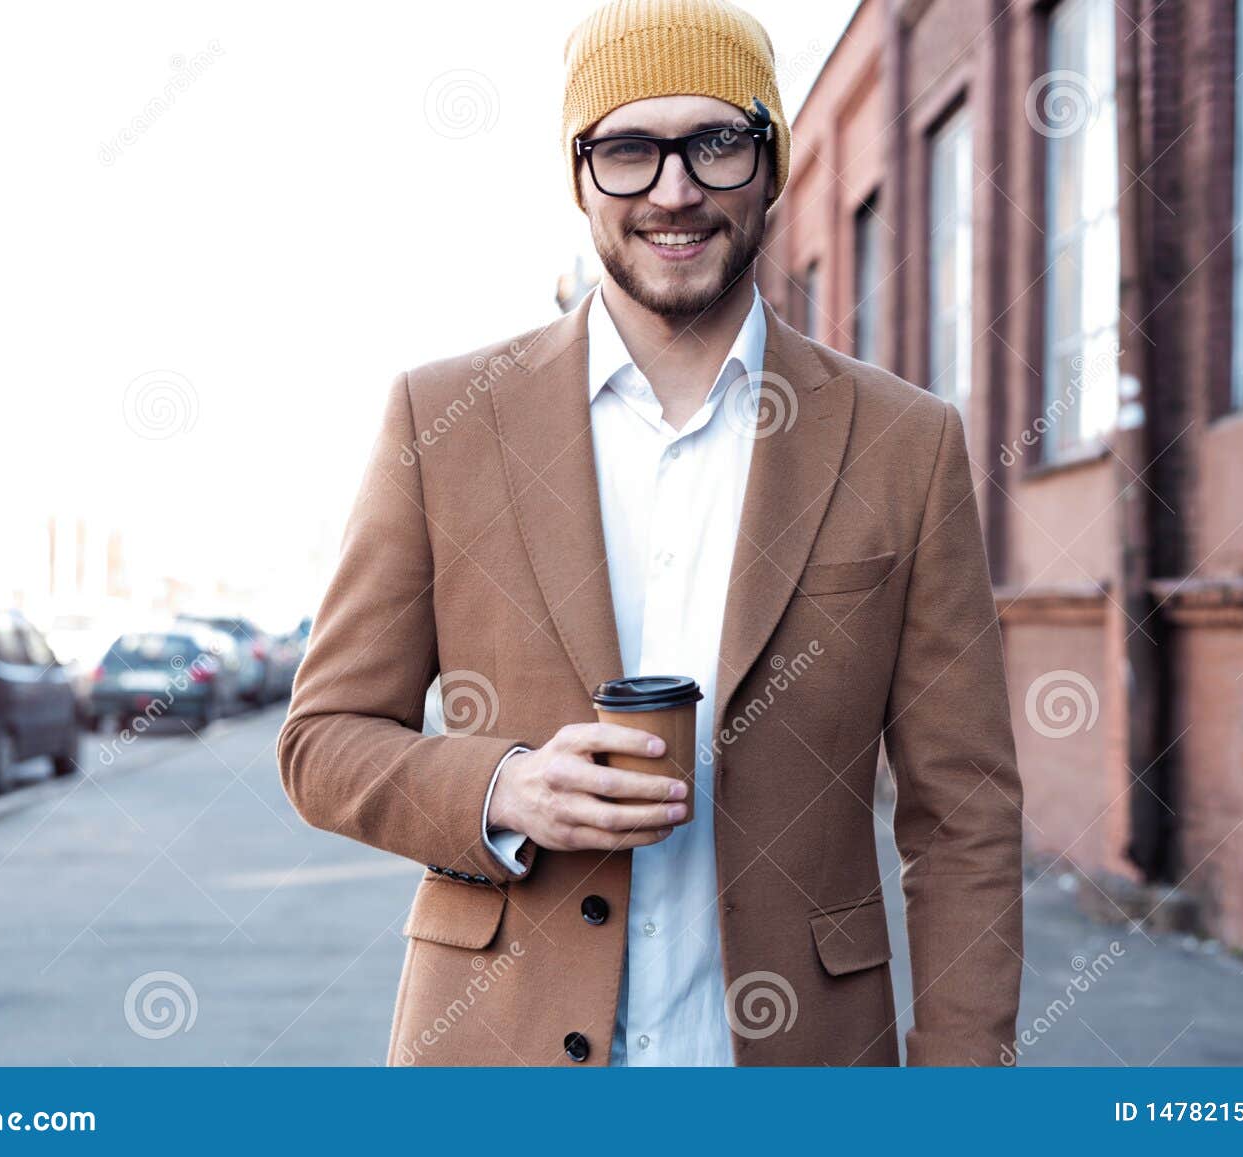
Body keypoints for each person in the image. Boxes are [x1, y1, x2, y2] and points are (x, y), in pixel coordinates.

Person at [278, 0, 1023, 1067]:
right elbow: (322, 741)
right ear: (578, 178)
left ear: (772, 164)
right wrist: (502, 786)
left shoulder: (906, 441)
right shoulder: (443, 422)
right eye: (628, 149)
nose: (674, 191)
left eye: (717, 142)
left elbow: (965, 816)